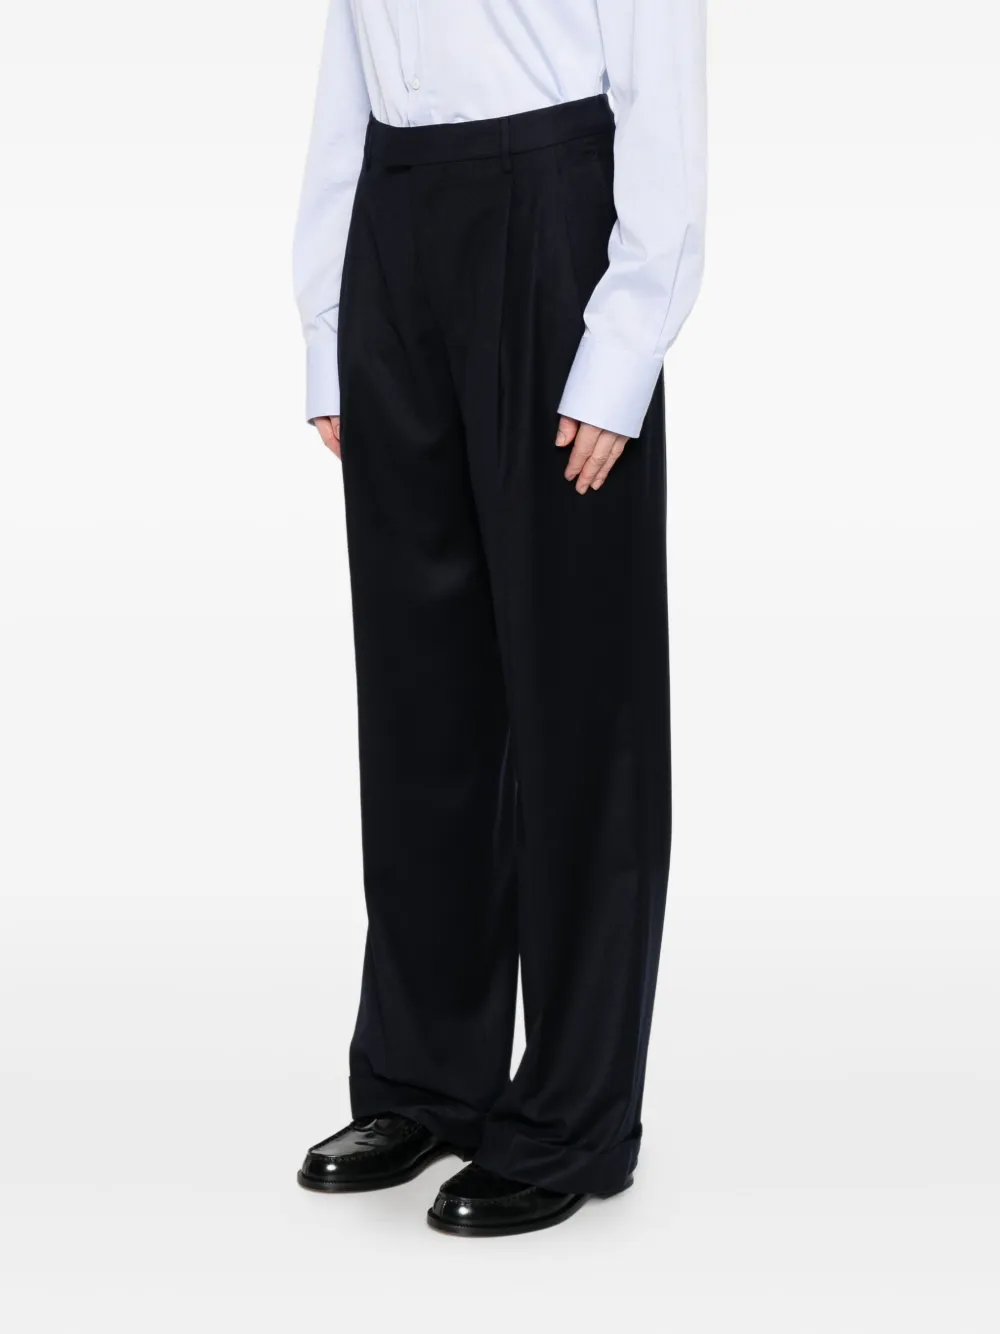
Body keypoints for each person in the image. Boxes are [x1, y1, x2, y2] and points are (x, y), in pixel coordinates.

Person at [292, 0, 706, 1238]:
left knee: (581, 698)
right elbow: (348, 63)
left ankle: (575, 1113)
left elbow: (662, 85)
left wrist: (624, 343)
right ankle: (426, 1077)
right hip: (394, 216)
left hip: (553, 217)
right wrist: (327, 323)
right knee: (420, 692)